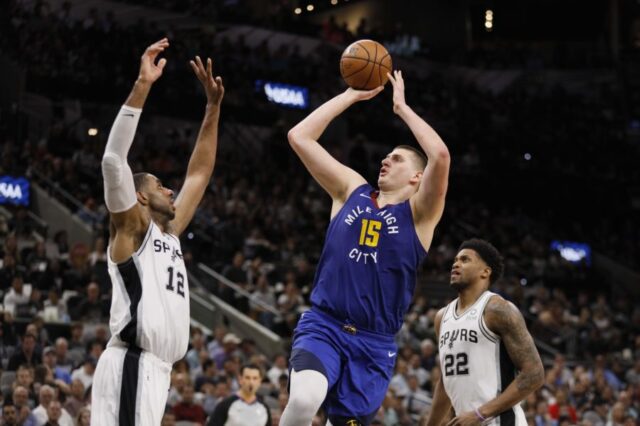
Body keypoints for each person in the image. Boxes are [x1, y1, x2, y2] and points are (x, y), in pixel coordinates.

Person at [281, 70, 451, 425]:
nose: (385, 160)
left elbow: (440, 154)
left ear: (418, 178)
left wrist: (402, 108)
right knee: (303, 399)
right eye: (386, 156)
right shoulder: (351, 189)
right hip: (325, 324)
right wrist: (350, 96)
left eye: (398, 159)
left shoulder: (420, 215)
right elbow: (299, 136)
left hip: (374, 345)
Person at [90, 38, 224, 425]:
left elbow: (198, 173)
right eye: (160, 185)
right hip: (132, 362)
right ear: (140, 198)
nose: (170, 189)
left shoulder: (171, 232)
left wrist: (212, 108)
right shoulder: (132, 229)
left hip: (156, 370)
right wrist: (143, 85)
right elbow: (113, 159)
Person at [424, 239, 545, 426]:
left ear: (485, 272)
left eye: (465, 260)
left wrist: (480, 414)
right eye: (455, 260)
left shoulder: (498, 309)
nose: (456, 264)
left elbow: (534, 373)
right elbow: (446, 381)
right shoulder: (442, 317)